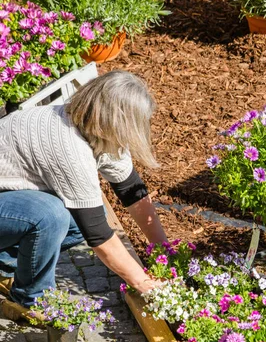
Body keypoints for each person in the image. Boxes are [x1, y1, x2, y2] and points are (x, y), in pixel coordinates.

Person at [0, 70, 166, 320]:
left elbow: (132, 192)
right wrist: (144, 283)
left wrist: (163, 252)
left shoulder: (96, 130)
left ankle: (4, 264)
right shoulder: (67, 144)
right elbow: (97, 234)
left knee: (73, 221)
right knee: (51, 215)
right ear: (114, 120)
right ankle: (29, 300)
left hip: (9, 204)